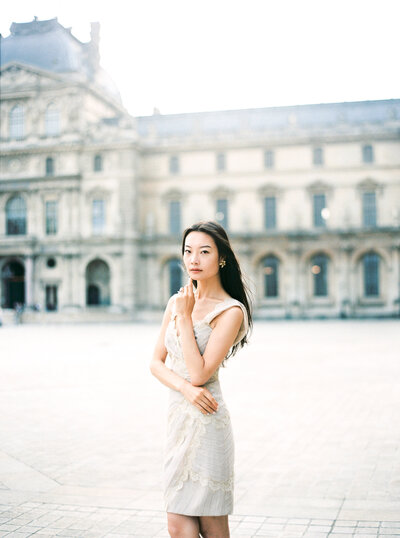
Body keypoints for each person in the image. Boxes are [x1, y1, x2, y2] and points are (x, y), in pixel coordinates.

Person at [150, 221, 253, 538]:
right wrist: (184, 390)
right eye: (188, 251)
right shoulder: (177, 301)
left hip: (208, 422)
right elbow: (155, 363)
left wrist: (184, 318)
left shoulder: (230, 311)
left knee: (212, 526)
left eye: (204, 252)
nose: (193, 259)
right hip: (179, 420)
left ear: (221, 258)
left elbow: (200, 373)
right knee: (177, 525)